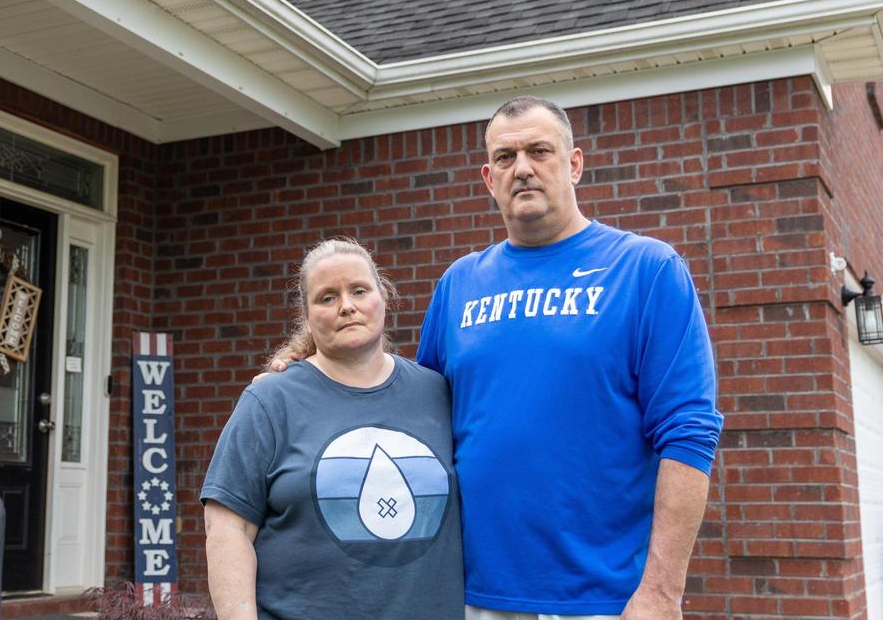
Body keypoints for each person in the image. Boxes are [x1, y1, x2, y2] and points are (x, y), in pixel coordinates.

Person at [269, 97, 723, 620]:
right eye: (505, 157)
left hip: (605, 599)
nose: (522, 168)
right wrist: (311, 368)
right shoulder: (460, 284)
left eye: (539, 151)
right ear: (489, 178)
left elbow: (689, 431)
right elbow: (409, 409)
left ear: (574, 164)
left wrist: (661, 592)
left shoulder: (644, 269)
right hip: (472, 595)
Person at [202, 238, 464, 620]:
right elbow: (228, 529)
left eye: (359, 290)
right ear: (307, 316)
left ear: (383, 297)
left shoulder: (439, 392)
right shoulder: (270, 400)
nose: (346, 306)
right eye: (327, 297)